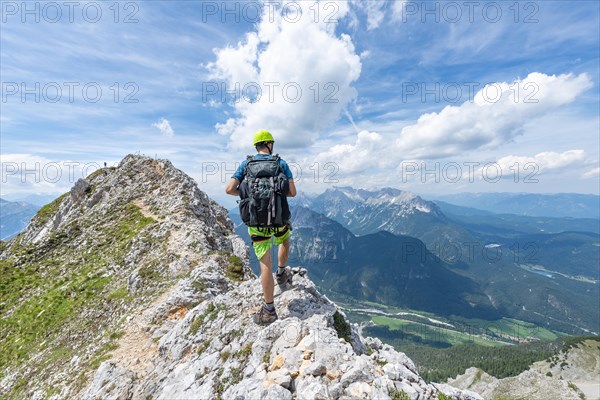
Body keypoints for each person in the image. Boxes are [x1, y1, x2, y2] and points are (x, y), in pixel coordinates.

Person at [225, 130, 297, 325]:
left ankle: (269, 310)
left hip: (256, 222)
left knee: (265, 264)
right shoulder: (281, 164)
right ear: (269, 145)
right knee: (285, 240)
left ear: (256, 146)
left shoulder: (246, 164)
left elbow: (229, 189)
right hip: (279, 219)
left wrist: (249, 196)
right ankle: (282, 273)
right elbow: (292, 192)